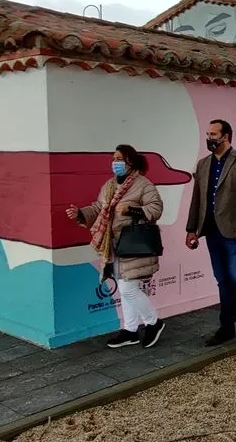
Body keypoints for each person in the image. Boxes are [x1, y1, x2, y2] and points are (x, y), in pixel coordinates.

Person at [67, 145, 166, 349]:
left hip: (133, 244)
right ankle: (130, 330)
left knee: (128, 289)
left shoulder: (143, 184)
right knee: (124, 288)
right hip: (114, 246)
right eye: (113, 158)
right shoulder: (109, 185)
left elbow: (156, 208)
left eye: (119, 158)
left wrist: (132, 210)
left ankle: (154, 322)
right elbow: (98, 208)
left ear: (131, 161)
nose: (115, 163)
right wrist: (80, 214)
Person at [185, 119, 236, 346]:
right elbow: (197, 199)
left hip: (234, 232)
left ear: (226, 136)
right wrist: (191, 229)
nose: (209, 138)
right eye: (207, 134)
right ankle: (227, 326)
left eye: (213, 134)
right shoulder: (202, 165)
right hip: (211, 231)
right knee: (222, 280)